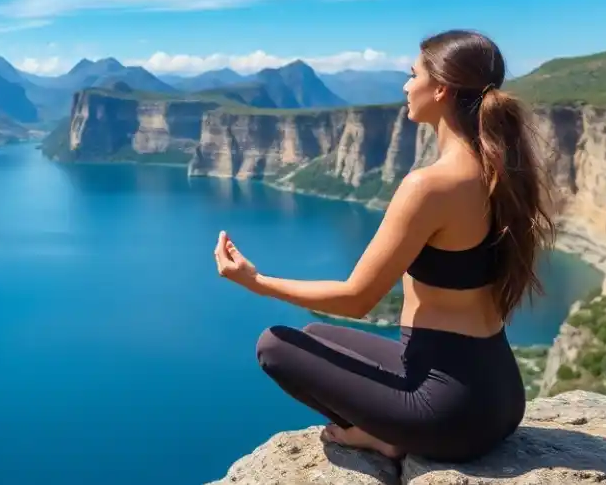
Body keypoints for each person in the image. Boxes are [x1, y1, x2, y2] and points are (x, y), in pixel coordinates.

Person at [213, 29, 556, 463]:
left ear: (441, 90)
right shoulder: (499, 169)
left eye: (413, 75)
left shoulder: (430, 186)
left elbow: (358, 298)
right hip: (500, 395)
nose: (405, 86)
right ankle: (395, 428)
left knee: (275, 345)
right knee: (315, 335)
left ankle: (383, 438)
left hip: (450, 414)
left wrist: (255, 281)